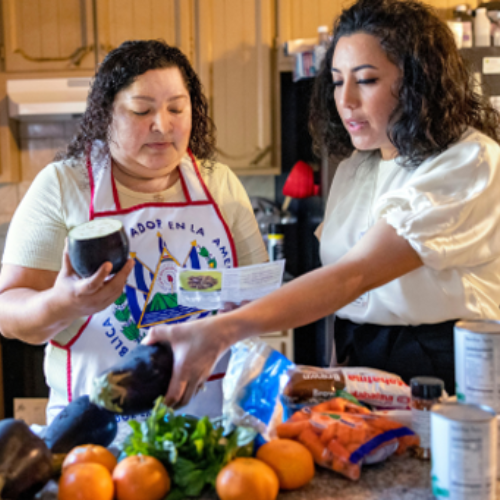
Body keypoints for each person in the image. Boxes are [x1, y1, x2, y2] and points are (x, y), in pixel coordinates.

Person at [144, 0, 500, 407]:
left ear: (419, 82)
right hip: (361, 368)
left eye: (365, 80)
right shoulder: (355, 168)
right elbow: (349, 299)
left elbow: (355, 275)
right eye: (335, 81)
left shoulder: (468, 162)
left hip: (444, 372)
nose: (344, 99)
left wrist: (225, 328)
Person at [0, 40, 268, 431]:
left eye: (177, 108)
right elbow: (8, 312)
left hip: (211, 431)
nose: (163, 125)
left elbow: (261, 295)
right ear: (105, 114)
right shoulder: (63, 185)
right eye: (142, 111)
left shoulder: (219, 183)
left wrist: (240, 311)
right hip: (97, 436)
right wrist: (63, 304)